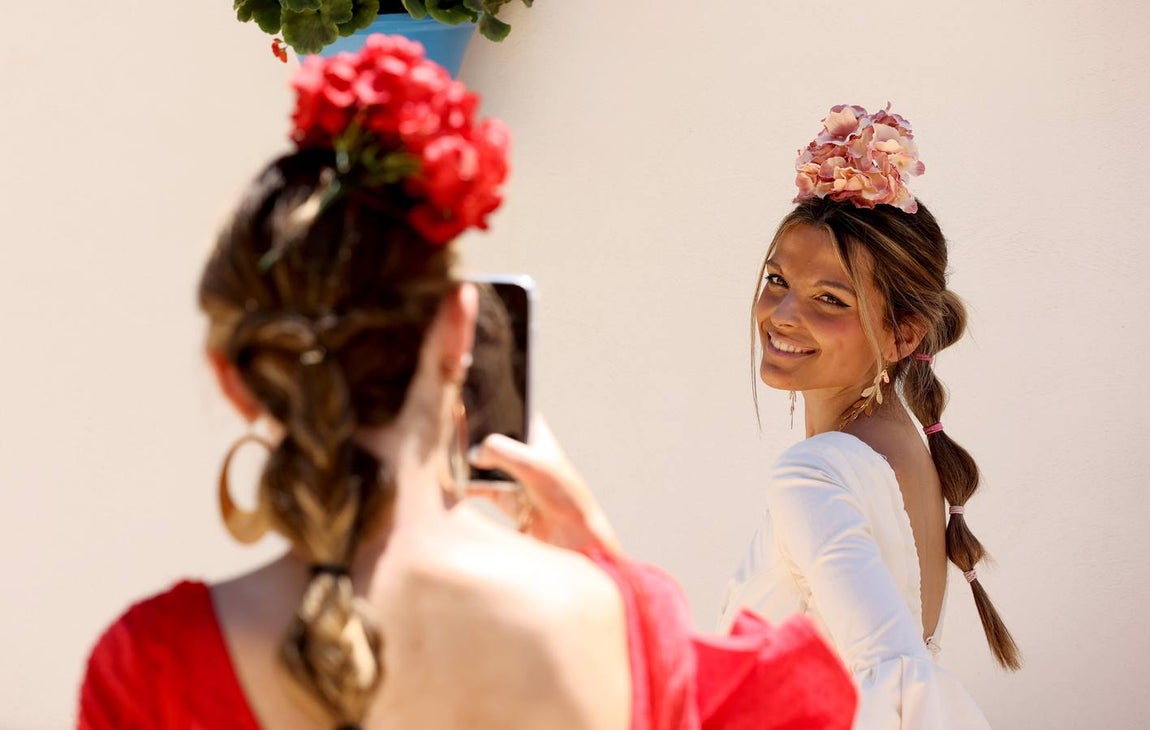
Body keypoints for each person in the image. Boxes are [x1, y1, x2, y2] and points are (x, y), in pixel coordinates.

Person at [77, 37, 857, 730]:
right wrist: (612, 575)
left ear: (237, 379)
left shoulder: (152, 666)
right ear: (460, 325)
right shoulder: (618, 631)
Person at [717, 104, 1022, 728]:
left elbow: (895, 680)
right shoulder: (905, 452)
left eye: (829, 298)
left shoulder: (816, 472)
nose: (782, 314)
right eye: (777, 279)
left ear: (903, 334)